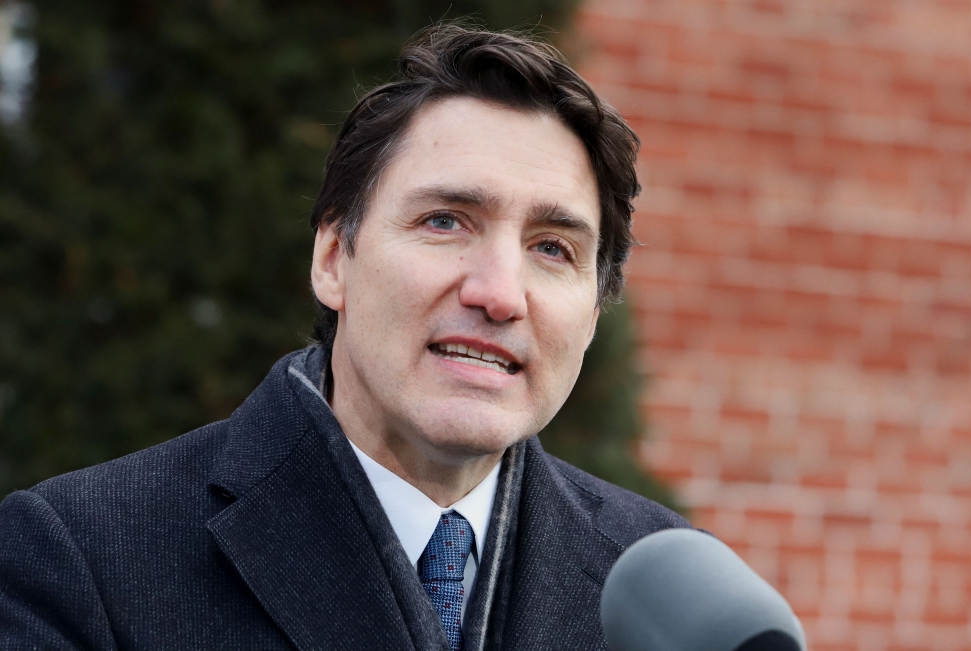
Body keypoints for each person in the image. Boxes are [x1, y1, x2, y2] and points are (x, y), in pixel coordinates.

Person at [0, 24, 691, 650]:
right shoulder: (81, 561)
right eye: (446, 221)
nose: (500, 293)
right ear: (333, 258)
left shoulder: (674, 593)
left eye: (552, 248)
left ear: (593, 314)